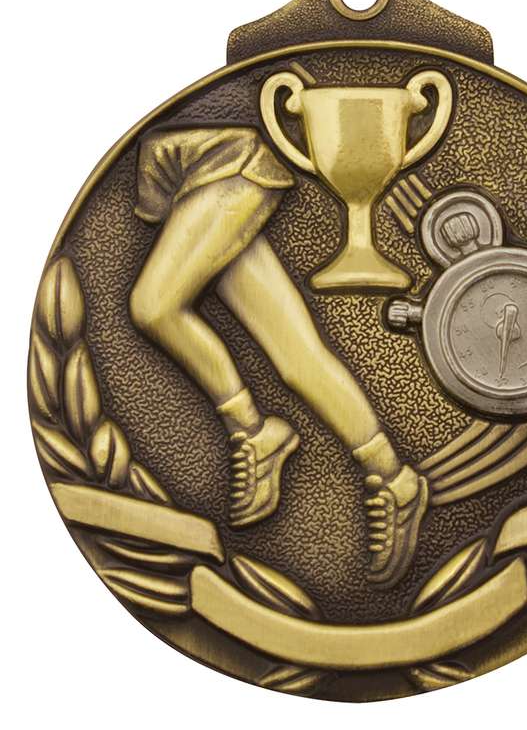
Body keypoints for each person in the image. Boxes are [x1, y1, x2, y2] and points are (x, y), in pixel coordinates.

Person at [129, 126, 427, 587]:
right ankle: (394, 477)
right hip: (198, 181)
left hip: (224, 166)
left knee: (154, 307)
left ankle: (253, 429)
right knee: (296, 355)